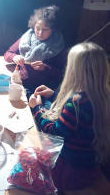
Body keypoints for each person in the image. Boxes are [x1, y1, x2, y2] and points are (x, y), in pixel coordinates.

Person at [28, 42, 110, 192]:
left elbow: (54, 132)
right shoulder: (102, 96)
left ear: (75, 70)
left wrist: (36, 109)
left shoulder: (77, 102)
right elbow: (74, 118)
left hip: (70, 169)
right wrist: (53, 95)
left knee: (30, 153)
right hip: (90, 162)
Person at [4, 5, 66, 95]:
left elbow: (62, 74)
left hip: (43, 89)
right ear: (33, 26)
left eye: (45, 29)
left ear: (53, 29)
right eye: (37, 28)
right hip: (21, 84)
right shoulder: (26, 38)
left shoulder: (58, 44)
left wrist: (45, 68)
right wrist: (15, 57)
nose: (40, 33)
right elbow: (7, 54)